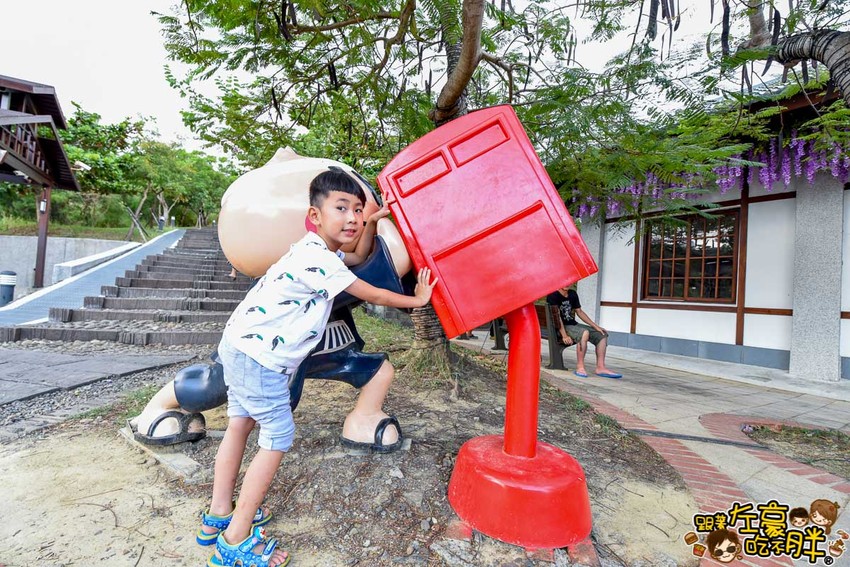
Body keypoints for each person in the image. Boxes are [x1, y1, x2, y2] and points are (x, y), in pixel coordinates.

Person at [201, 169, 438, 567]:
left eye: (358, 210)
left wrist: (374, 223)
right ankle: (236, 539)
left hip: (240, 346)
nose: (352, 218)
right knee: (276, 437)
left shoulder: (318, 251)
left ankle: (218, 514)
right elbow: (370, 290)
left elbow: (360, 255)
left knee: (240, 424)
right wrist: (417, 301)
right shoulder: (319, 260)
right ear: (315, 215)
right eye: (341, 208)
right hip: (259, 358)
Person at [546, 285, 622, 379]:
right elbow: (557, 317)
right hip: (560, 328)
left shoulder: (572, 294)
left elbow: (579, 312)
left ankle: (600, 367)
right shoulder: (553, 295)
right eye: (565, 281)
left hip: (573, 325)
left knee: (602, 334)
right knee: (584, 333)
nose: (568, 284)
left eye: (570, 281)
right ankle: (580, 367)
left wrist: (596, 327)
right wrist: (564, 335)